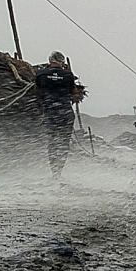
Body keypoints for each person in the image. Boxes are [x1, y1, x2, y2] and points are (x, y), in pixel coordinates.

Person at [35, 51, 78, 179]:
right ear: (62, 61)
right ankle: (59, 171)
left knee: (52, 142)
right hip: (65, 112)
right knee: (64, 143)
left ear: (50, 60)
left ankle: (54, 172)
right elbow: (74, 93)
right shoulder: (68, 75)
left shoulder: (41, 74)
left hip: (50, 112)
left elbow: (38, 92)